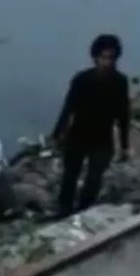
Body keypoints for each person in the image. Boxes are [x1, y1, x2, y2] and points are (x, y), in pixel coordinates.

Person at [52, 33, 132, 217]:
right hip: (78, 135)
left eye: (110, 58)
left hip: (102, 138)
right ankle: (63, 210)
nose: (106, 62)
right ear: (95, 57)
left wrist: (124, 145)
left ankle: (84, 210)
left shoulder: (120, 82)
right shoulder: (82, 80)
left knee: (94, 178)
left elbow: (123, 115)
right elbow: (68, 108)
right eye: (103, 57)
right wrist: (57, 134)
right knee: (70, 175)